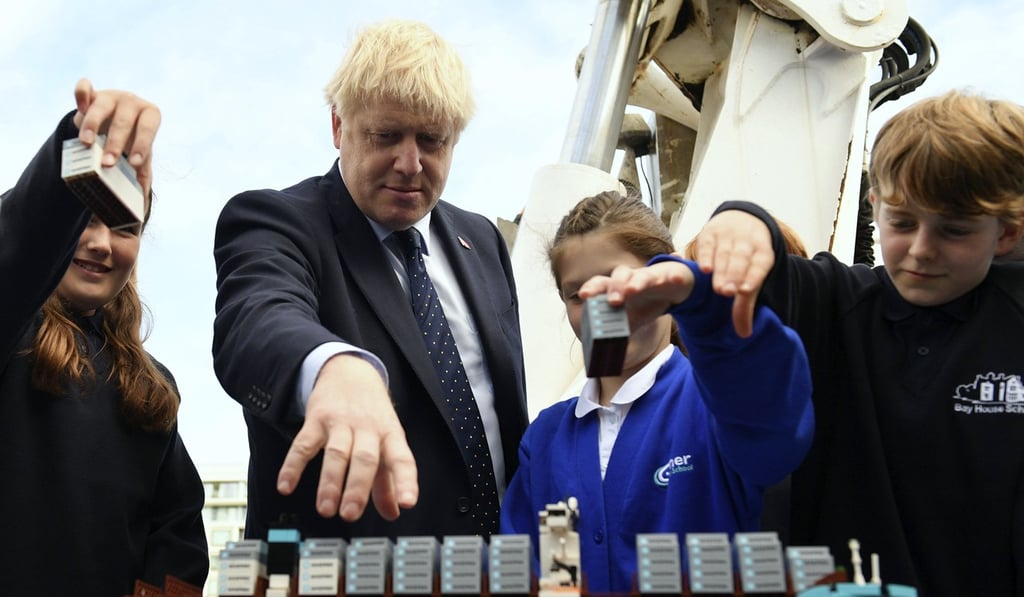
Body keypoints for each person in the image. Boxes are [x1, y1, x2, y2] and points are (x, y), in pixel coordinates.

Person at [692, 90, 1024, 596]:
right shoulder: (835, 303)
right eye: (903, 222)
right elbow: (776, 276)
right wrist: (741, 220)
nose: (921, 249)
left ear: (1005, 235)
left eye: (954, 230)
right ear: (875, 205)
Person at [212, 19, 528, 541]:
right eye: (386, 136)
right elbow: (258, 317)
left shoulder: (484, 242)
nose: (410, 164)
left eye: (432, 140)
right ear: (338, 127)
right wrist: (334, 367)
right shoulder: (276, 221)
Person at [499, 191, 814, 594]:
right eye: (577, 294)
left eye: (618, 282)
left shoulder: (717, 403)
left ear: (664, 276)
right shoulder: (545, 440)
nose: (600, 306)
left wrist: (706, 305)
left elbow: (776, 427)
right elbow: (551, 574)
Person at [0, 79, 208, 594]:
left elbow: (178, 533)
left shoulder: (153, 384)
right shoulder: (12, 330)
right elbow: (20, 247)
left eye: (123, 226)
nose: (99, 244)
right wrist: (77, 146)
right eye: (83, 219)